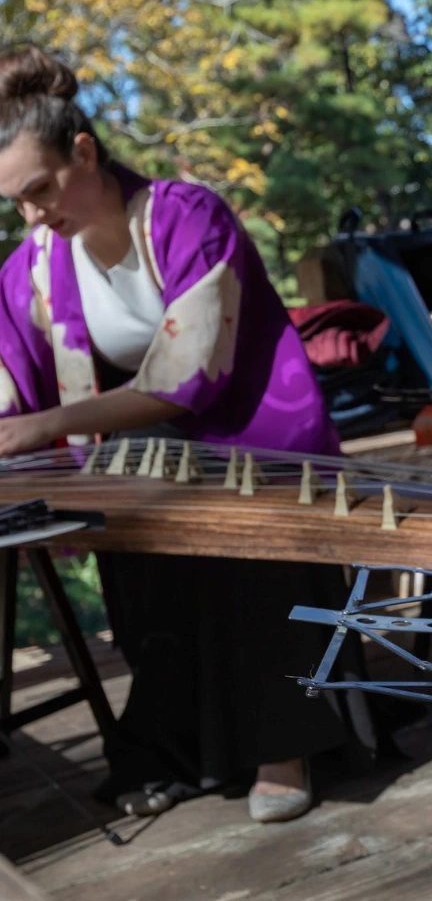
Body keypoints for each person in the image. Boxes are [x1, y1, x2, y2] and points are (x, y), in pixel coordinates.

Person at [0, 45, 346, 823]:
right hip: (134, 456)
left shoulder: (187, 216)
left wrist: (46, 425)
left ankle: (280, 746)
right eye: (15, 202)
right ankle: (178, 751)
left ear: (84, 152)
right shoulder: (33, 264)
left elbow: (189, 375)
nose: (32, 214)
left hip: (253, 439)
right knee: (142, 580)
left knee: (248, 561)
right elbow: (10, 375)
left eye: (40, 189)